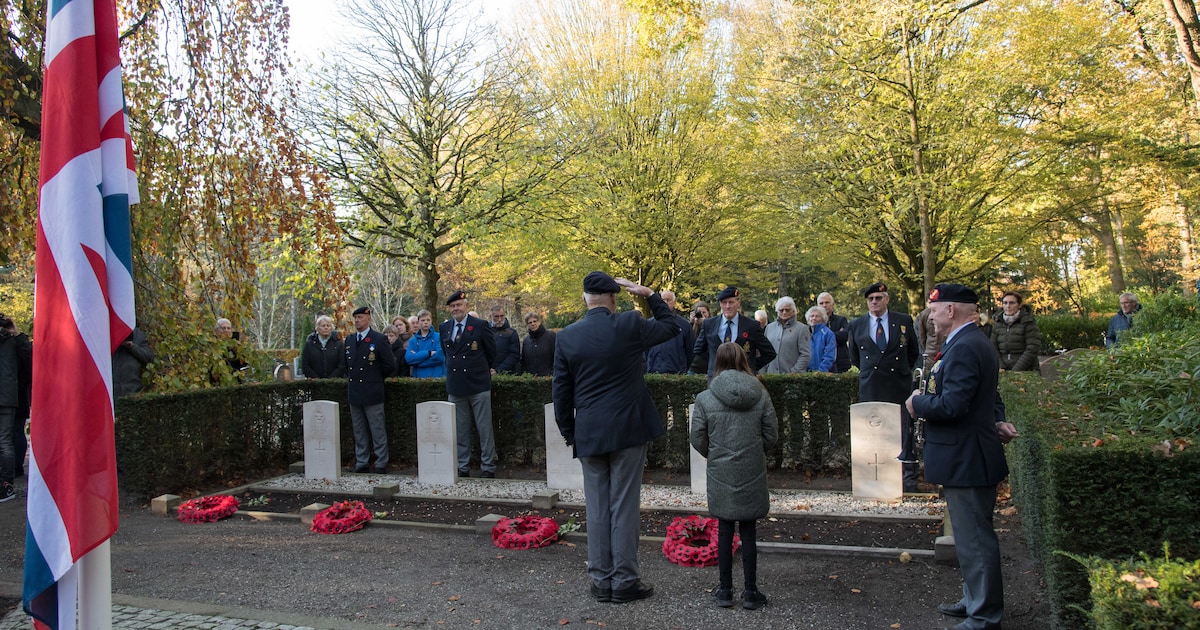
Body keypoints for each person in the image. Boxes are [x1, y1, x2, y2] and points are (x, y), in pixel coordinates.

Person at [552, 271, 679, 604]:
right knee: (623, 506)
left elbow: (561, 391)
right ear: (613, 297)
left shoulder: (567, 336)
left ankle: (600, 579)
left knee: (597, 507)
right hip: (627, 429)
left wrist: (570, 432)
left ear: (585, 298)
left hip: (590, 432)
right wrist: (649, 295)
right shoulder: (629, 324)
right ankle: (623, 581)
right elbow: (672, 326)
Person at [906, 284, 1010, 630]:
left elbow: (953, 404)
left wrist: (917, 403)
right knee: (969, 538)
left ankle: (984, 615)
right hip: (966, 455)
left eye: (935, 310)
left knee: (975, 540)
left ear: (950, 310)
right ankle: (974, 599)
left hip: (967, 457)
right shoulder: (966, 342)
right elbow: (987, 395)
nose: (931, 317)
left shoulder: (965, 346)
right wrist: (997, 420)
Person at [689, 342, 778, 610]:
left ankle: (725, 590)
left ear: (718, 361)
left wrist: (716, 454)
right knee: (749, 530)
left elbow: (697, 437)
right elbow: (771, 435)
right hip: (752, 468)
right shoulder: (761, 395)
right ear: (743, 360)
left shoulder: (705, 398)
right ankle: (751, 591)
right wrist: (754, 451)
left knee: (725, 528)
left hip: (721, 469)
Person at [848, 282, 921, 492]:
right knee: (873, 430)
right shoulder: (857, 324)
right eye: (870, 299)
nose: (874, 302)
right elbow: (855, 357)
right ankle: (875, 476)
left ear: (887, 299)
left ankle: (908, 477)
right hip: (871, 383)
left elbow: (913, 352)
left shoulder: (903, 320)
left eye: (878, 298)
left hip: (898, 383)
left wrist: (901, 370)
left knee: (904, 429)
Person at [441, 291, 498, 478]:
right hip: (456, 386)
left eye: (459, 305)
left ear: (466, 306)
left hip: (478, 384)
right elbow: (447, 354)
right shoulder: (445, 327)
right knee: (460, 429)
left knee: (484, 428)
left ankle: (488, 466)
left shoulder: (480, 325)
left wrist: (481, 370)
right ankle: (462, 466)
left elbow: (491, 352)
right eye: (452, 306)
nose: (456, 309)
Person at [345, 306, 395, 474]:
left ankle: (381, 462)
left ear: (368, 319)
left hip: (372, 391)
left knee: (377, 428)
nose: (357, 320)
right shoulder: (350, 340)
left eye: (360, 317)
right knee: (359, 430)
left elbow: (389, 365)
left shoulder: (378, 339)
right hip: (355, 391)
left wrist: (374, 378)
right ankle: (362, 461)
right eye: (355, 318)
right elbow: (346, 365)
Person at [693, 287, 776, 377]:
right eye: (724, 303)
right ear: (720, 304)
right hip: (716, 377)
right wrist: (714, 362)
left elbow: (769, 353)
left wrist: (749, 366)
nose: (728, 306)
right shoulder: (709, 324)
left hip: (743, 378)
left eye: (731, 302)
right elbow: (698, 349)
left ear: (738, 303)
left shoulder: (751, 326)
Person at [0, 314, 31, 502]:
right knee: (5, 440)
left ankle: (6, 483)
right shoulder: (13, 342)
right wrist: (17, 334)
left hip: (9, 396)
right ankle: (7, 485)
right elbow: (30, 358)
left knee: (6, 440)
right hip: (9, 396)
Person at [645, 290, 694, 374]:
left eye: (668, 300)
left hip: (677, 373)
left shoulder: (684, 325)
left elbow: (690, 351)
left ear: (674, 302)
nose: (665, 303)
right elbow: (645, 350)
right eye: (663, 300)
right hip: (653, 371)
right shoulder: (649, 324)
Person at [991, 291, 1041, 372]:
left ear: (1019, 305)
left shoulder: (1028, 322)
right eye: (1005, 303)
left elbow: (1032, 348)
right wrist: (1001, 366)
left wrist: (1016, 370)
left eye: (1012, 303)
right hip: (1002, 370)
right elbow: (993, 347)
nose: (1008, 306)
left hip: (1026, 370)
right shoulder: (998, 323)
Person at [762, 296, 811, 374]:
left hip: (792, 376)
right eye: (781, 310)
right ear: (777, 311)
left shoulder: (801, 328)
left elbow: (805, 355)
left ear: (793, 311)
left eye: (787, 310)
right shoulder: (769, 328)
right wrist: (763, 372)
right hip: (771, 375)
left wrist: (794, 372)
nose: (784, 312)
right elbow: (764, 351)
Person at [113, 327, 154, 398]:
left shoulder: (138, 335)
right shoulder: (107, 332)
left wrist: (132, 347)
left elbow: (148, 357)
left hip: (132, 389)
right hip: (112, 390)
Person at [301, 315, 345, 379]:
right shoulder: (310, 345)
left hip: (334, 382)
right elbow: (305, 366)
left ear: (331, 328)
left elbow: (342, 365)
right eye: (323, 326)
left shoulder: (339, 344)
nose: (326, 328)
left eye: (328, 326)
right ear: (318, 328)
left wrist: (330, 380)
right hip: (314, 382)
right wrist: (317, 380)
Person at [817, 292, 852, 373]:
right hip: (820, 364)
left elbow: (845, 336)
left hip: (840, 364)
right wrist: (835, 334)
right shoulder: (814, 322)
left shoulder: (841, 320)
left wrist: (822, 337)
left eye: (827, 302)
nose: (824, 305)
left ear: (832, 305)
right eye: (821, 303)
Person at [406, 310, 445, 378]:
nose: (425, 322)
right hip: (418, 378)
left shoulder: (438, 337)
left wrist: (418, 363)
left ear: (431, 321)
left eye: (428, 320)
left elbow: (440, 357)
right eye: (423, 320)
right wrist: (428, 353)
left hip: (437, 376)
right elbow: (410, 359)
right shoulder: (413, 341)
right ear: (418, 322)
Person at [520, 312, 556, 376]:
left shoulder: (551, 336)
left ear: (539, 322)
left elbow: (557, 356)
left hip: (550, 376)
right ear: (527, 325)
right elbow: (524, 361)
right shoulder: (526, 341)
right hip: (532, 378)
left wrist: (552, 372)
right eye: (530, 322)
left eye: (534, 321)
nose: (533, 324)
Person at [489, 306, 521, 375]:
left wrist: (498, 370)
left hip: (507, 373)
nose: (499, 319)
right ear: (490, 317)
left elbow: (514, 355)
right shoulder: (486, 331)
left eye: (502, 316)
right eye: (496, 316)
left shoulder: (512, 333)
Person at [805, 306, 837, 373]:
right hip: (807, 373)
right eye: (812, 316)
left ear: (823, 318)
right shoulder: (804, 333)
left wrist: (821, 371)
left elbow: (830, 355)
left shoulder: (828, 333)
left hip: (826, 372)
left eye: (817, 316)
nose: (814, 318)